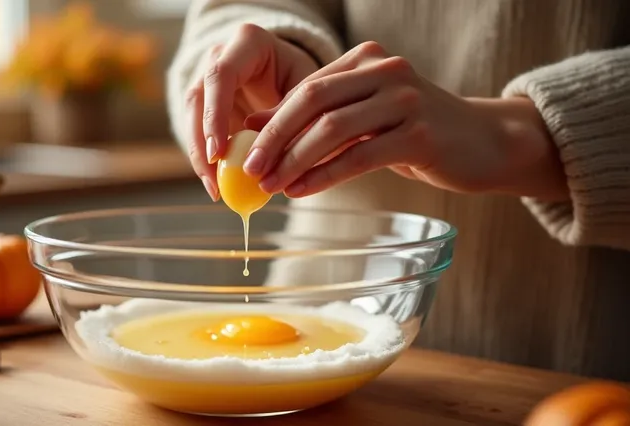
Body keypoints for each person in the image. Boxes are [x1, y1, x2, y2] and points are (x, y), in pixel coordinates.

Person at [166, 0, 630, 381]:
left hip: (574, 374)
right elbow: (231, 10)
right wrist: (269, 54)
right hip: (306, 339)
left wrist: (517, 135)